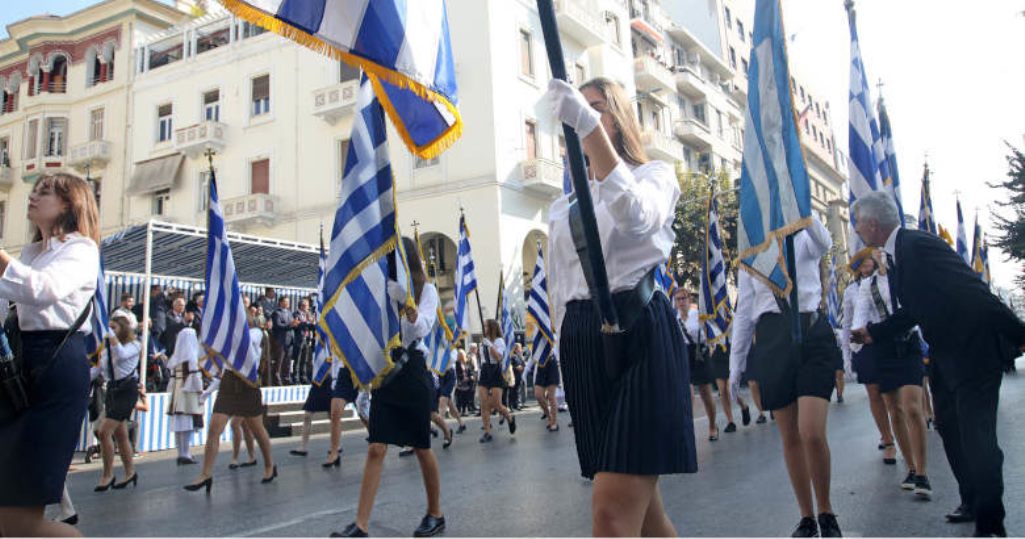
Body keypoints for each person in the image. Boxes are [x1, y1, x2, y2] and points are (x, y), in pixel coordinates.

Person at [546, 77, 696, 536]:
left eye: (596, 108)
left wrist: (586, 126)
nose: (584, 117)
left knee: (612, 514)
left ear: (618, 117)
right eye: (578, 110)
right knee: (647, 518)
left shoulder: (655, 177)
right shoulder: (563, 205)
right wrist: (560, 357)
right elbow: (559, 288)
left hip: (639, 335)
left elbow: (636, 217)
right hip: (583, 344)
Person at [851, 192, 1025, 537]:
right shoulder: (899, 254)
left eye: (857, 222)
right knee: (948, 427)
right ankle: (972, 501)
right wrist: (873, 332)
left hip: (974, 353)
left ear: (872, 224)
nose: (855, 229)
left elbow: (972, 288)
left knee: (978, 437)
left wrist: (1018, 332)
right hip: (945, 354)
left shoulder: (917, 245)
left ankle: (991, 523)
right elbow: (916, 309)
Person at [0, 173, 100, 537]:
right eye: (35, 189)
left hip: (54, 368)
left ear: (70, 205)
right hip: (22, 367)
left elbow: (43, 290)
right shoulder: (32, 253)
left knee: (18, 521)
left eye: (46, 192)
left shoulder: (81, 249)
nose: (33, 196)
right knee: (11, 518)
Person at [729, 216, 842, 538]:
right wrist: (736, 366)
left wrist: (801, 206)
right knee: (790, 435)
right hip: (773, 338)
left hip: (810, 332)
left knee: (811, 431)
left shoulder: (802, 238)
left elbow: (824, 242)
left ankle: (826, 511)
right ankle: (806, 516)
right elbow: (744, 313)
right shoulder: (750, 254)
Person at [333, 238, 446, 538]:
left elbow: (421, 327)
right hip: (387, 371)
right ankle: (360, 524)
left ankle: (435, 513)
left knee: (421, 447)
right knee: (375, 447)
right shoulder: (383, 290)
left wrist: (406, 303)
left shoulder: (427, 290)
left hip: (412, 372)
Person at [852, 250, 931, 498]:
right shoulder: (867, 285)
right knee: (894, 409)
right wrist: (855, 337)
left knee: (912, 406)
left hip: (908, 344)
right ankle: (910, 467)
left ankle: (922, 472)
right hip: (883, 348)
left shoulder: (904, 277)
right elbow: (860, 314)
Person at [184, 318, 278, 492]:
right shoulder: (231, 335)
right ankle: (206, 474)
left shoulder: (256, 333)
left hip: (247, 384)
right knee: (214, 429)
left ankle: (269, 465)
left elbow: (247, 343)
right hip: (229, 382)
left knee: (257, 429)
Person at [845, 256, 898, 465]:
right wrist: (847, 354)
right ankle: (887, 440)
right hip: (863, 344)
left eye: (869, 260)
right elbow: (848, 321)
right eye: (862, 261)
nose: (866, 265)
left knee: (891, 395)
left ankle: (900, 432)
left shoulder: (886, 280)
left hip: (885, 338)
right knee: (874, 393)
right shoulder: (851, 290)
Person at [94, 315, 141, 491]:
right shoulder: (106, 348)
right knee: (120, 435)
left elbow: (121, 355)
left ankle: (107, 475)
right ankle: (130, 472)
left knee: (104, 431)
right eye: (110, 328)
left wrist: (107, 332)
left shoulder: (135, 345)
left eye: (114, 328)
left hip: (127, 389)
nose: (111, 331)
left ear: (123, 329)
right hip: (112, 390)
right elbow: (97, 369)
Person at [674, 288, 718, 441]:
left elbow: (712, 334)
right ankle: (688, 429)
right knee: (688, 394)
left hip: (700, 353)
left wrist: (709, 343)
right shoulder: (675, 318)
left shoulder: (698, 315)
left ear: (689, 299)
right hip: (684, 354)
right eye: (678, 299)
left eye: (683, 298)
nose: (681, 302)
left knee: (705, 392)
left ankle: (713, 426)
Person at [165, 328, 204, 465]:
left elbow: (171, 380)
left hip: (177, 393)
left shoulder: (175, 358)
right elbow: (195, 377)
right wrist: (201, 391)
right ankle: (186, 453)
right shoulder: (192, 357)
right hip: (189, 392)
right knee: (187, 423)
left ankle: (181, 453)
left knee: (179, 423)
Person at [477, 319, 517, 443]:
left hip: (495, 370)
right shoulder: (483, 341)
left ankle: (509, 418)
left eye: (486, 326)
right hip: (485, 371)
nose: (484, 328)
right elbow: (482, 360)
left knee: (496, 404)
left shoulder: (499, 341)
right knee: (483, 404)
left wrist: (489, 345)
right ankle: (487, 432)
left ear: (492, 328)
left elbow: (499, 357)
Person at [437, 349, 466, 433]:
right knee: (450, 404)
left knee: (442, 400)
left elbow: (452, 359)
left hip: (449, 374)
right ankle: (461, 423)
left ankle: (443, 428)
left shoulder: (452, 348)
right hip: (441, 374)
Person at [270, 297, 297, 386]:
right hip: (281, 340)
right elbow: (278, 325)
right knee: (279, 361)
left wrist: (295, 324)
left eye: (288, 302)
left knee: (288, 361)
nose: (287, 303)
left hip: (290, 340)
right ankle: (277, 379)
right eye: (285, 302)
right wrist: (290, 325)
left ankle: (286, 378)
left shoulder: (289, 313)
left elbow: (292, 324)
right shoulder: (276, 313)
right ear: (281, 303)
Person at [454, 349, 474, 416]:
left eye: (462, 355)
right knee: (459, 398)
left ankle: (464, 411)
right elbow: (456, 372)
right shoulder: (456, 363)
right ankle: (458, 411)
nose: (462, 356)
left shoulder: (466, 363)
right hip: (460, 383)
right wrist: (462, 377)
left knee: (466, 397)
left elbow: (470, 370)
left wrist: (471, 375)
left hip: (467, 383)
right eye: (461, 355)